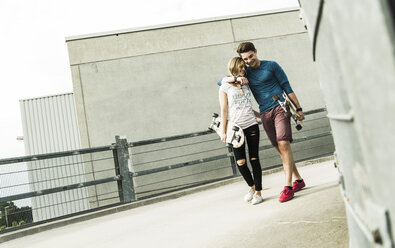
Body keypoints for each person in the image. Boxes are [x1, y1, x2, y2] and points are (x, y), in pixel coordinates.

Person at [218, 42, 306, 203]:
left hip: (280, 106)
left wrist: (298, 108)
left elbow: (287, 86)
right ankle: (298, 180)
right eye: (245, 59)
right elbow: (220, 81)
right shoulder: (245, 74)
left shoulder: (272, 66)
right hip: (264, 113)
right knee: (280, 149)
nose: (249, 61)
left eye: (251, 56)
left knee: (283, 143)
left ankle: (288, 187)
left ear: (256, 52)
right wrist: (236, 78)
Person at [219, 57, 263, 205]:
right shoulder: (224, 87)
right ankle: (251, 187)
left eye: (244, 67)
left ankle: (258, 192)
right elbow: (224, 110)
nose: (244, 69)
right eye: (241, 67)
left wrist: (260, 116)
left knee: (254, 159)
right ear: (234, 67)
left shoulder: (246, 84)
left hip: (251, 123)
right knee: (241, 161)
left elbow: (247, 106)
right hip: (236, 129)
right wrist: (224, 131)